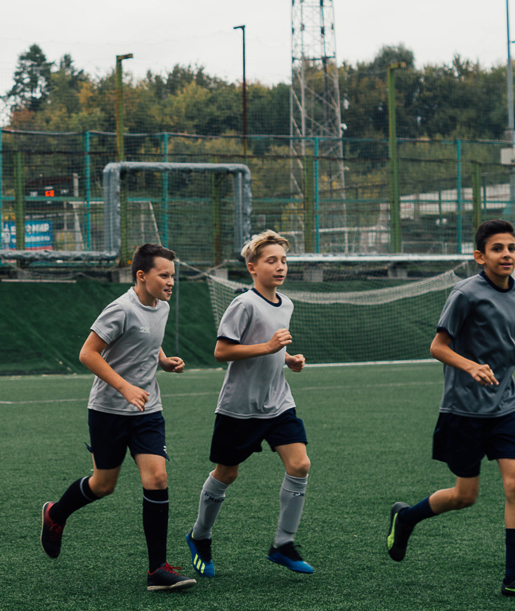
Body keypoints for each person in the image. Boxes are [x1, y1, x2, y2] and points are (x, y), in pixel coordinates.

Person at [386, 219, 515, 599]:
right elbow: (438, 346)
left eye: (512, 247)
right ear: (480, 256)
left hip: (505, 407)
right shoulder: (465, 293)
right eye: (498, 249)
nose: (507, 254)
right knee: (465, 496)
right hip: (463, 410)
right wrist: (470, 365)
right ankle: (407, 517)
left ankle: (513, 578)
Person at [40, 243, 193, 591]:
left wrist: (163, 360)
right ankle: (55, 514)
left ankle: (158, 570)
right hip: (109, 409)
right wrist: (125, 388)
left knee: (157, 478)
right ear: (141, 276)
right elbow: (88, 354)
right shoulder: (120, 309)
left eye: (173, 275)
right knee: (103, 485)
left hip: (148, 410)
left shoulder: (162, 306)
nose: (171, 281)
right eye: (164, 275)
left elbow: (149, 342)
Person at [185, 230, 314, 579]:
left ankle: (283, 544)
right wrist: (270, 348)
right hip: (239, 407)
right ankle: (200, 536)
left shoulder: (285, 303)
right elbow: (222, 351)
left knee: (300, 464)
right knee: (227, 473)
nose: (280, 266)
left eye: (284, 260)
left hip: (278, 403)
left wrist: (288, 359)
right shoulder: (243, 304)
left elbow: (273, 347)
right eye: (272, 261)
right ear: (252, 267)